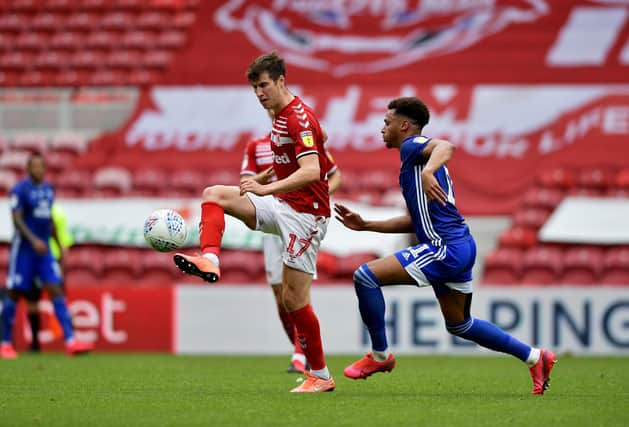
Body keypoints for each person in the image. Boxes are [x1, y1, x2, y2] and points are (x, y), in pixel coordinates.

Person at [334, 97, 556, 395]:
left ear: (404, 125)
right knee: (460, 325)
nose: (381, 129)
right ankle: (534, 357)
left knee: (365, 276)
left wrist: (428, 172)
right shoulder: (411, 163)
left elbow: (446, 146)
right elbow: (416, 221)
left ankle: (380, 356)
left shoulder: (414, 147)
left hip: (445, 248)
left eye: (387, 123)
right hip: (460, 245)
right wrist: (367, 225)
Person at [174, 52, 336, 392]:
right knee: (215, 194)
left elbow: (312, 171)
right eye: (254, 87)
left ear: (281, 81)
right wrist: (261, 181)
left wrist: (264, 188)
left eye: (264, 85)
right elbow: (287, 164)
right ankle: (210, 258)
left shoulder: (299, 119)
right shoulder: (277, 117)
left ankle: (320, 376)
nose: (260, 93)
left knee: (294, 300)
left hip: (307, 217)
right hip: (283, 205)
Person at [240, 121, 342, 374]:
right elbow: (245, 183)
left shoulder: (302, 141)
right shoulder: (257, 146)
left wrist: (319, 195)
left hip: (300, 216)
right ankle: (301, 351)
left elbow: (334, 175)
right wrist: (259, 182)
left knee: (297, 292)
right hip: (271, 217)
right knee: (280, 295)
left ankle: (300, 357)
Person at [1, 154, 93, 359]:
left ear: (44, 168)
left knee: (55, 289)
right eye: (34, 166)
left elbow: (48, 218)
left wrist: (59, 245)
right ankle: (5, 343)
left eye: (40, 166)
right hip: (24, 250)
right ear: (28, 168)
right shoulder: (20, 190)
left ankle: (71, 341)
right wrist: (33, 240)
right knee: (15, 293)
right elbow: (16, 219)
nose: (38, 169)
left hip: (44, 253)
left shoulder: (48, 190)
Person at [25, 203, 74, 352]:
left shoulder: (57, 213)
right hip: (34, 259)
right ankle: (34, 343)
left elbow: (63, 239)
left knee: (60, 299)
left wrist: (62, 263)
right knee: (32, 301)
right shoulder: (29, 209)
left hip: (52, 261)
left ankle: (71, 340)